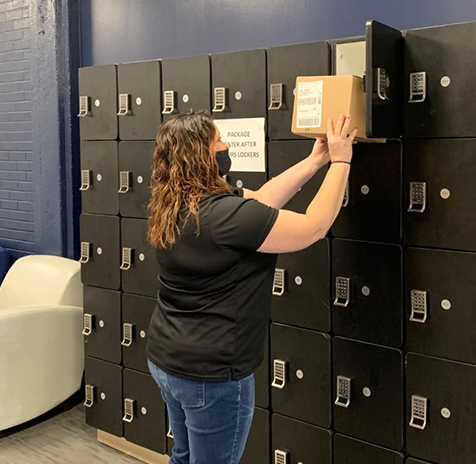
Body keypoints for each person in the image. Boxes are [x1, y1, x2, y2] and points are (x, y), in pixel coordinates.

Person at [145, 109, 356, 464]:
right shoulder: (225, 216)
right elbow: (315, 227)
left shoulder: (176, 203)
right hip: (211, 375)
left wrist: (314, 161)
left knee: (183, 457)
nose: (225, 145)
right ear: (202, 154)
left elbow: (261, 200)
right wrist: (342, 162)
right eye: (218, 140)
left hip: (168, 360)